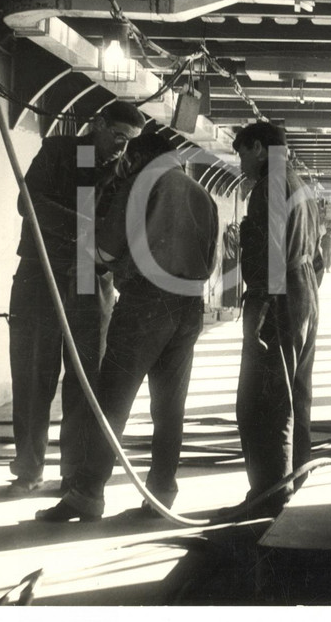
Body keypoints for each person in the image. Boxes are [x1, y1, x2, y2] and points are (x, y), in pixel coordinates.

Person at [35, 132, 219, 522]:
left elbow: (106, 249)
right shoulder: (202, 193)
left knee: (112, 399)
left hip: (146, 304)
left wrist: (89, 243)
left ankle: (87, 495)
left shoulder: (142, 180)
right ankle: (162, 494)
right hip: (190, 307)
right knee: (169, 406)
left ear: (137, 157)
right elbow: (212, 257)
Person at [7, 100, 145, 496]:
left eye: (129, 141)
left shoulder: (124, 171)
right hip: (41, 270)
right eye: (117, 136)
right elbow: (28, 203)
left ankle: (73, 473)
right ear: (98, 123)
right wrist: (87, 229)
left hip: (90, 276)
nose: (121, 147)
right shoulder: (60, 152)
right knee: (34, 372)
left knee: (86, 378)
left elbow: (119, 229)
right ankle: (29, 468)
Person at [232, 121, 323, 518]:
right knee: (296, 392)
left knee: (264, 398)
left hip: (278, 293)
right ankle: (295, 478)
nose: (241, 164)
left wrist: (260, 311)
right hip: (304, 290)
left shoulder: (269, 185)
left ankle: (270, 493)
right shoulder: (300, 185)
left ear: (257, 148)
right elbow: (319, 256)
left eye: (241, 153)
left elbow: (269, 253)